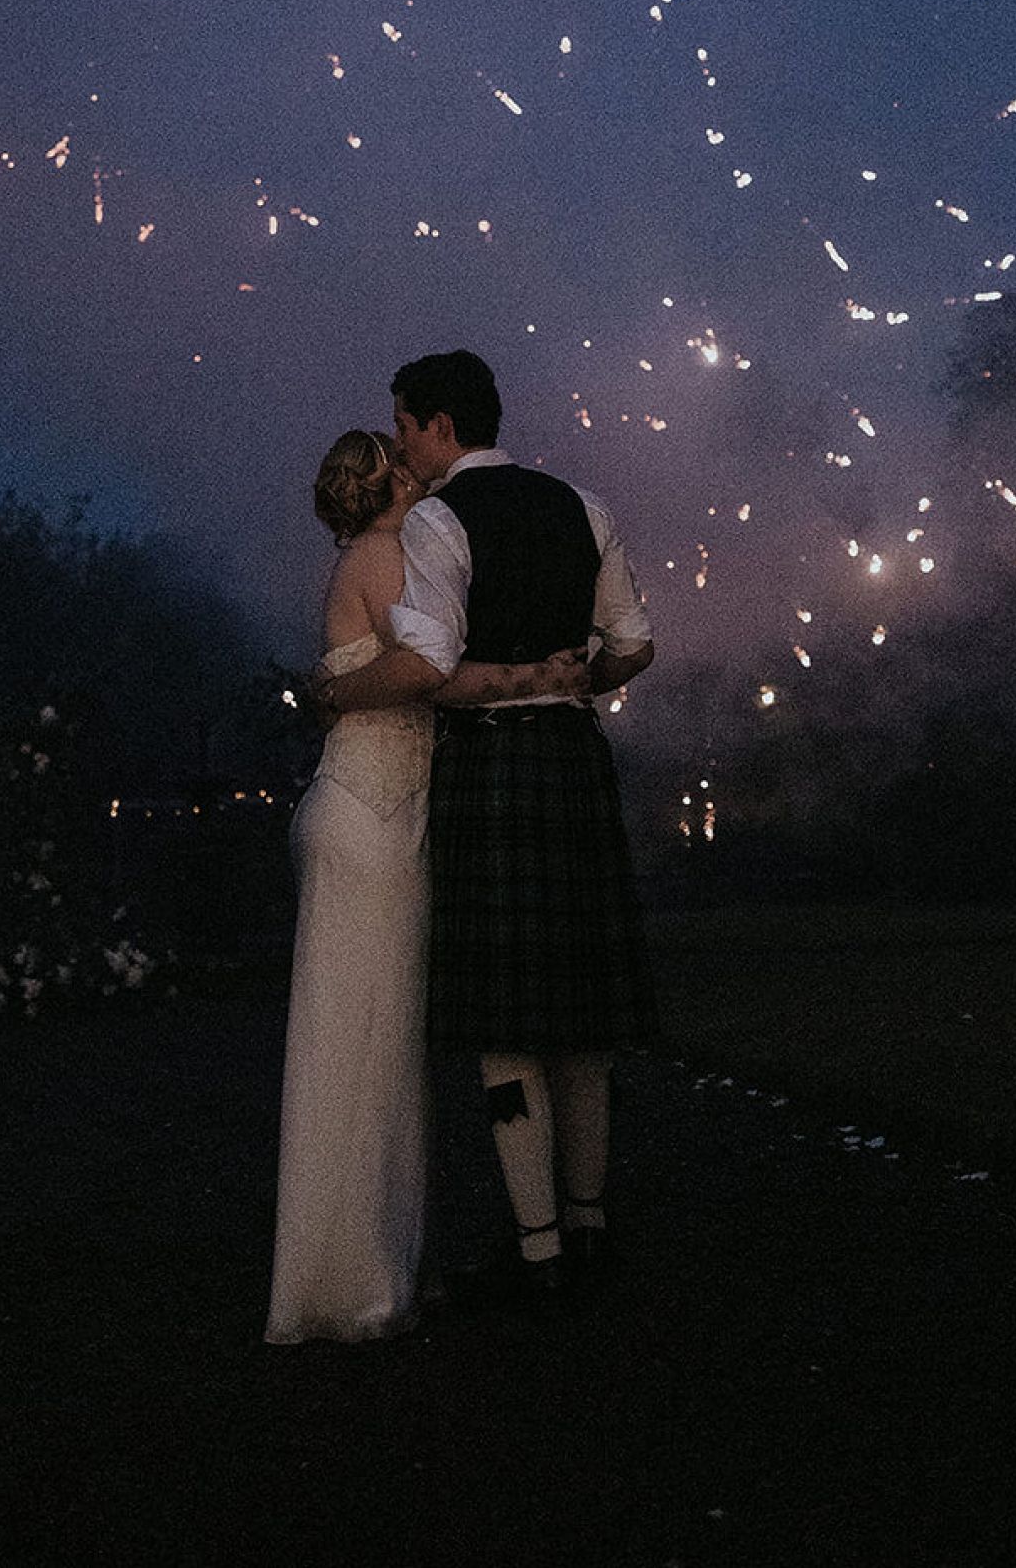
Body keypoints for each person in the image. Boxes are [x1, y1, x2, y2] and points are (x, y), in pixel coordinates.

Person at [315, 351, 657, 1314]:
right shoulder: (584, 504)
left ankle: (539, 1247)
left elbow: (425, 663)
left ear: (439, 425)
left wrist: (332, 691)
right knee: (585, 1016)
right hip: (574, 765)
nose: (402, 445)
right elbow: (635, 643)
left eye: (404, 425)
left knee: (506, 1020)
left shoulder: (434, 518)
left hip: (496, 764)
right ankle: (589, 1224)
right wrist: (577, 678)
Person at [264, 429, 581, 1346]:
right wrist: (535, 676)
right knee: (364, 1049)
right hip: (371, 821)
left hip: (379, 809)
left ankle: (371, 1264)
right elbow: (428, 672)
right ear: (391, 481)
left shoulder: (381, 554)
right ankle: (354, 1280)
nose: (418, 464)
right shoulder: (383, 554)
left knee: (374, 1047)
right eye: (402, 459)